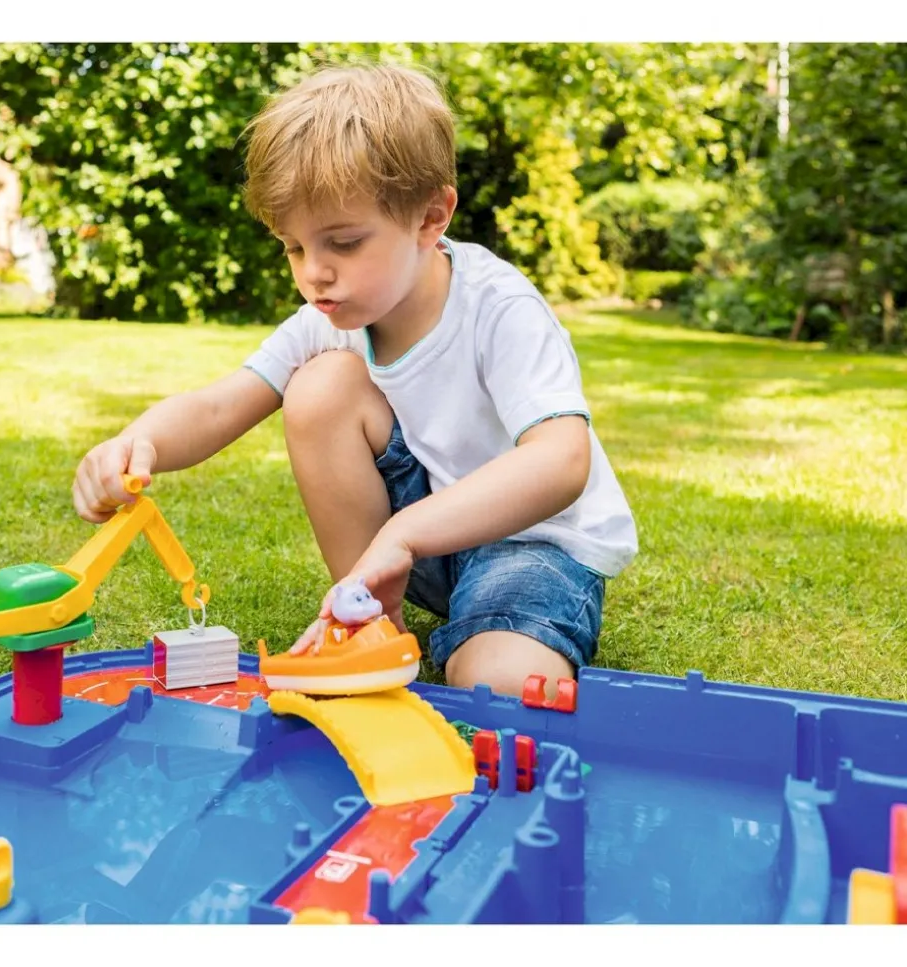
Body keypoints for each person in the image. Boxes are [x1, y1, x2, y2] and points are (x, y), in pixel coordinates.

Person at [72, 61, 638, 699]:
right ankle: (369, 624)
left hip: (532, 544)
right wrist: (136, 443)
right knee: (319, 388)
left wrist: (404, 533)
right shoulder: (327, 321)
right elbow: (219, 406)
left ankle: (478, 630)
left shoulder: (498, 307)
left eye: (342, 243)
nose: (314, 272)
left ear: (430, 217)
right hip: (415, 550)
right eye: (294, 247)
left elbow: (561, 461)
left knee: (498, 683)